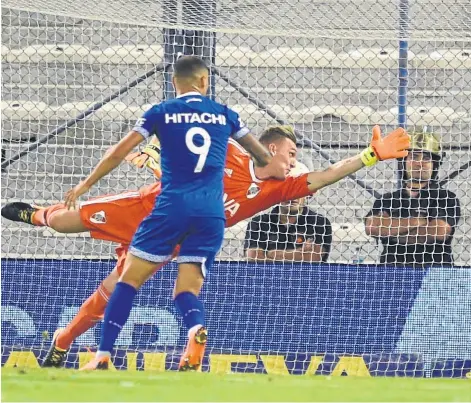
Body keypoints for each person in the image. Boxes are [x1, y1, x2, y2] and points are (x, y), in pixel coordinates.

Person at [2, 124, 409, 368]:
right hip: (147, 210)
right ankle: (38, 214)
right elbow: (177, 145)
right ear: (268, 149)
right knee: (62, 222)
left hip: (176, 241)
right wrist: (156, 155)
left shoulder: (277, 190)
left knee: (114, 289)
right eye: (290, 153)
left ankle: (63, 342)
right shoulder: (226, 150)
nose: (294, 161)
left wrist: (370, 156)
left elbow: (323, 177)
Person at [62, 56, 290, 371]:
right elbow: (263, 157)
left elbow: (118, 151)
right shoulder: (225, 115)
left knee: (128, 280)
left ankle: (102, 354)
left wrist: (85, 184)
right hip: (212, 215)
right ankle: (195, 329)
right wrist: (279, 169)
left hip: (172, 207)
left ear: (174, 83)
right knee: (187, 288)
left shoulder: (161, 113)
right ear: (204, 82)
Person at [364, 129, 461, 266]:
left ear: (434, 165)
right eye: (413, 157)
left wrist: (392, 231)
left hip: (433, 273)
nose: (419, 163)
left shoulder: (446, 198)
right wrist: (420, 221)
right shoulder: (387, 199)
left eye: (426, 158)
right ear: (404, 162)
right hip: (391, 272)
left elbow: (438, 231)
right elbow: (373, 227)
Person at [244, 163, 333, 263]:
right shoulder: (259, 223)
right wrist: (299, 254)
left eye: (298, 189)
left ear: (308, 193)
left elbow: (313, 258)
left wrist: (271, 254)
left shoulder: (319, 223)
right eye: (286, 189)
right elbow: (253, 258)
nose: (292, 195)